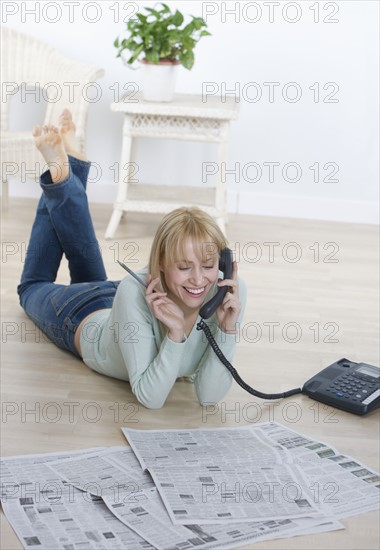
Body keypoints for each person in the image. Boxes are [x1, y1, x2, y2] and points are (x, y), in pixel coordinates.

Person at [17, 110, 246, 409]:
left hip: (121, 304)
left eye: (208, 265)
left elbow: (209, 396)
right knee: (32, 286)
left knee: (87, 268)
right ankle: (63, 173)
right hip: (83, 314)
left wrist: (228, 330)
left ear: (224, 262)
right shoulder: (133, 293)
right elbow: (150, 397)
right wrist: (176, 335)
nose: (200, 279)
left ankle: (68, 170)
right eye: (183, 266)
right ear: (160, 264)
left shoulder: (228, 292)